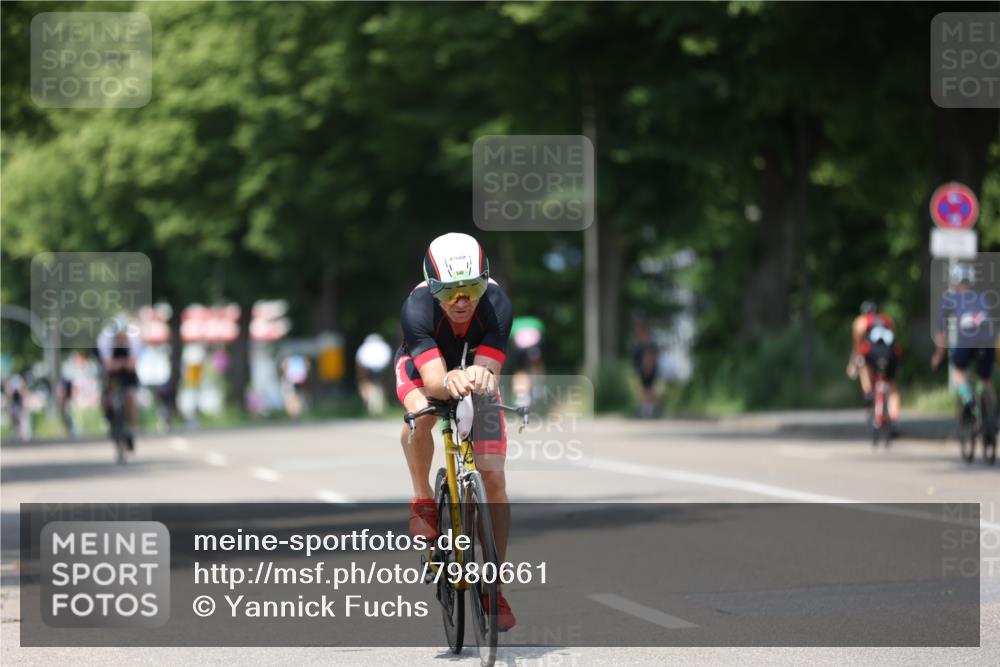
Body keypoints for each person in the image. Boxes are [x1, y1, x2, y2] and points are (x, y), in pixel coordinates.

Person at [394, 232, 515, 631]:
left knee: (494, 477)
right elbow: (432, 380)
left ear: (486, 281)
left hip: (472, 369)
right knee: (422, 415)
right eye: (449, 292)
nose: (462, 302)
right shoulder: (417, 308)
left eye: (471, 289)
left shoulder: (496, 305)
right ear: (432, 287)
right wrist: (451, 381)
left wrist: (482, 373)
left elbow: (489, 368)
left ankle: (493, 586)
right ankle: (422, 499)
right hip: (425, 371)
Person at [932, 263, 997, 423]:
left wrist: (938, 356)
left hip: (967, 341)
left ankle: (968, 399)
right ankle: (992, 421)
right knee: (986, 379)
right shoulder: (984, 297)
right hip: (988, 341)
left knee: (958, 370)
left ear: (955, 281)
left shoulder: (950, 299)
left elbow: (942, 332)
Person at [847, 300, 901, 423]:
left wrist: (853, 364)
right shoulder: (887, 319)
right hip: (890, 353)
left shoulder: (861, 321)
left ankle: (868, 392)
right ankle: (893, 417)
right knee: (892, 387)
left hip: (872, 353)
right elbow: (894, 339)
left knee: (863, 365)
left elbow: (857, 346)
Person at [97, 316, 141, 450]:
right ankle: (109, 415)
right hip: (113, 371)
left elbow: (132, 364)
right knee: (107, 390)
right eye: (118, 337)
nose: (121, 339)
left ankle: (131, 431)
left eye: (123, 337)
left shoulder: (134, 340)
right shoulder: (104, 340)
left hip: (127, 371)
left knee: (130, 397)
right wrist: (120, 364)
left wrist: (122, 364)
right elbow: (108, 365)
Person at [508, 316, 545, 409]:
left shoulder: (514, 324)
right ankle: (538, 386)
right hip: (534, 345)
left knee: (520, 369)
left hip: (519, 347)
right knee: (536, 365)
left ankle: (521, 395)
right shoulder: (536, 322)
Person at [356, 333, 393, 415]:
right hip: (381, 370)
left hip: (369, 370)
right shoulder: (383, 347)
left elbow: (360, 362)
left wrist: (362, 377)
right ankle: (379, 408)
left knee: (369, 387)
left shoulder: (364, 348)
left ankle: (371, 408)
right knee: (379, 388)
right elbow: (388, 360)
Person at [632, 319, 660, 418]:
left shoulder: (649, 345)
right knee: (646, 390)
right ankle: (647, 409)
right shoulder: (639, 346)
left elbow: (654, 358)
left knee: (649, 390)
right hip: (644, 371)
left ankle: (649, 410)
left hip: (649, 371)